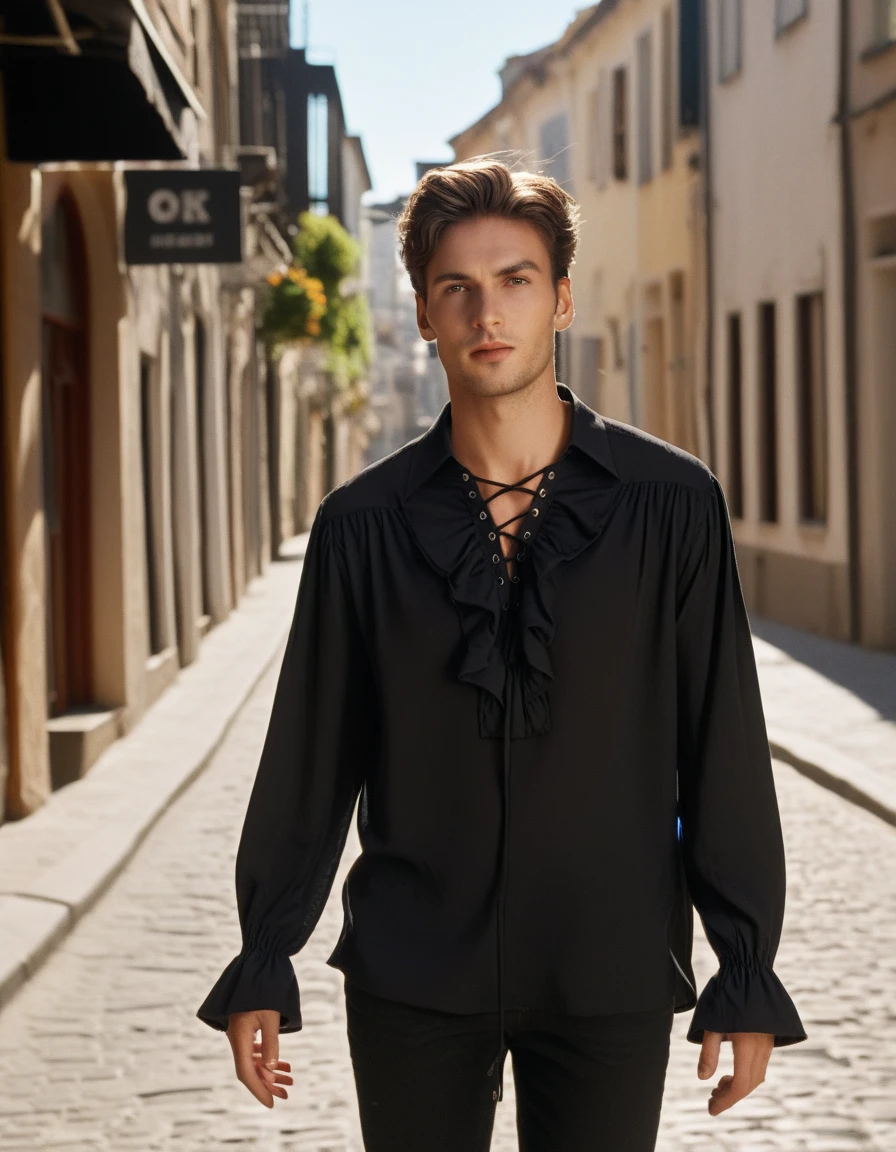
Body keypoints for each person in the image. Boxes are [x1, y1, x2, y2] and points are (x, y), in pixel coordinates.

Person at [196, 157, 807, 1151]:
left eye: (515, 280)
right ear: (427, 314)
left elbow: (720, 742)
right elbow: (312, 757)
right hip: (410, 973)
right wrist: (266, 950)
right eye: (457, 288)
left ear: (559, 300)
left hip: (606, 967)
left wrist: (743, 965)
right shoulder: (360, 527)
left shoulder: (672, 504)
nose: (488, 311)